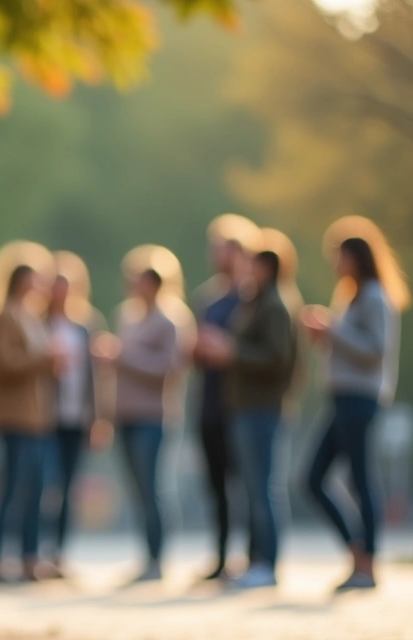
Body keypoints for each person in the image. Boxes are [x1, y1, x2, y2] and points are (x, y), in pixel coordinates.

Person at [301, 230, 407, 592]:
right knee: (313, 479)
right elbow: (347, 348)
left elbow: (376, 349)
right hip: (342, 396)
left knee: (359, 478)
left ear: (357, 257)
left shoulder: (375, 297)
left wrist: (333, 330)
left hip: (361, 398)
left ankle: (369, 563)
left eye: (340, 255)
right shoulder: (350, 297)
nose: (335, 263)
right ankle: (357, 552)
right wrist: (326, 336)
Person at [197, 251, 296, 589]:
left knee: (264, 489)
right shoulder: (257, 302)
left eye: (254, 264)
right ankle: (257, 560)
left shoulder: (274, 306)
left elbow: (278, 358)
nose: (247, 270)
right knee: (254, 489)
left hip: (261, 409)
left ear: (267, 267)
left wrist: (232, 351)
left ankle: (267, 562)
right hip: (244, 408)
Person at [94, 267, 180, 583]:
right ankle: (146, 556)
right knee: (136, 489)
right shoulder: (126, 318)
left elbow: (168, 368)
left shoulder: (166, 322)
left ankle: (157, 558)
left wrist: (124, 355)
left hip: (152, 416)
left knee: (151, 487)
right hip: (126, 415)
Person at [0, 262, 61, 583]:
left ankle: (30, 558)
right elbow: (5, 363)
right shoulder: (5, 317)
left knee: (36, 488)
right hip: (14, 418)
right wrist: (45, 359)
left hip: (36, 419)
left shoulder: (32, 318)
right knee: (12, 489)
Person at [190, 214, 259, 580]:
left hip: (240, 404)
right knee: (215, 486)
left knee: (245, 484)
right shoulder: (207, 298)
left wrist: (227, 350)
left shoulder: (251, 299)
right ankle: (219, 558)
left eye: (225, 248)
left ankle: (252, 556)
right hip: (209, 403)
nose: (218, 255)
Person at [45, 265, 99, 577]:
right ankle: (37, 549)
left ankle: (59, 553)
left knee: (67, 486)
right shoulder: (40, 325)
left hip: (76, 417)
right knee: (45, 485)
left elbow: (94, 378)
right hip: (46, 418)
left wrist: (97, 417)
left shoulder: (85, 327)